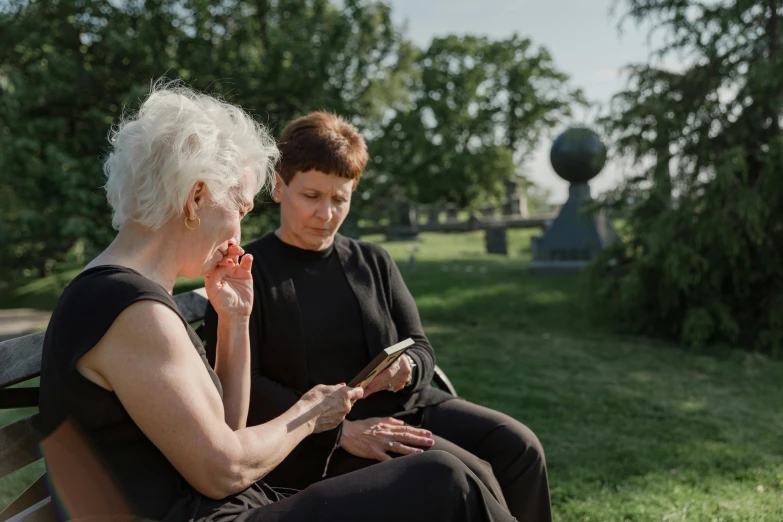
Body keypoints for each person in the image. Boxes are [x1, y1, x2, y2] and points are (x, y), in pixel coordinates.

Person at [37, 83, 515, 522]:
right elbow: (222, 470)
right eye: (240, 209)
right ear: (196, 198)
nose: (239, 233)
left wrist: (235, 320)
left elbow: (226, 426)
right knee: (444, 481)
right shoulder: (128, 308)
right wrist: (308, 415)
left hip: (222, 507)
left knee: (453, 473)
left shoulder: (129, 296)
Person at [203, 111, 553, 522]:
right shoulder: (248, 271)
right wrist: (334, 429)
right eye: (312, 196)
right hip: (317, 438)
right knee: (472, 476)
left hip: (412, 405)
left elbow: (421, 346)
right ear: (279, 186)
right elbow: (244, 384)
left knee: (520, 447)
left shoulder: (372, 260)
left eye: (340, 199)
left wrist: (409, 365)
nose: (326, 214)